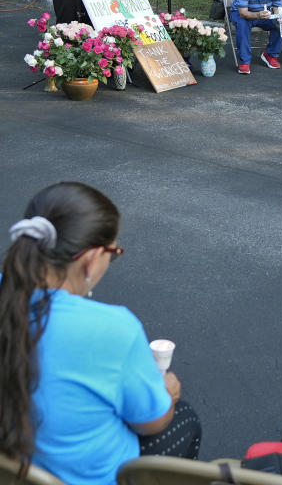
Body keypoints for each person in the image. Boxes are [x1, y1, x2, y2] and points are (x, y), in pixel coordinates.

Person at [0, 182, 202, 484]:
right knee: (184, 419)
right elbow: (151, 423)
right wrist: (167, 395)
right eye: (114, 253)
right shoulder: (114, 328)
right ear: (91, 258)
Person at [229, 0, 282, 74]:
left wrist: (279, 17)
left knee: (280, 24)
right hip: (243, 12)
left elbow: (278, 6)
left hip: (263, 13)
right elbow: (243, 13)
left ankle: (270, 55)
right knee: (243, 24)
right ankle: (244, 61)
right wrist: (258, 15)